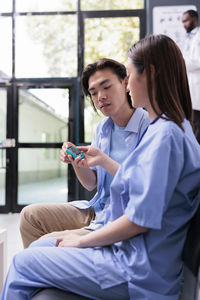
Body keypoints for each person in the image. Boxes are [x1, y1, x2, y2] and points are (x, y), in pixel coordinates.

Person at [1, 34, 200, 300]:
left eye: (128, 77)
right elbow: (125, 185)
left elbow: (139, 220)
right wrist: (83, 162)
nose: (128, 86)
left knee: (21, 263)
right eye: (93, 93)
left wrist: (81, 241)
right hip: (126, 248)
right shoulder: (164, 129)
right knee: (40, 243)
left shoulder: (165, 135)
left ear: (150, 74)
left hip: (134, 266)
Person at [20, 58, 150, 248]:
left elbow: (145, 184)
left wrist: (105, 161)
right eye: (94, 93)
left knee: (44, 245)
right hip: (98, 209)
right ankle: (49, 271)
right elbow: (91, 183)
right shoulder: (103, 128)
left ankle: (47, 264)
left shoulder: (148, 126)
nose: (100, 97)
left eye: (106, 87)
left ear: (125, 83)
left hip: (121, 215)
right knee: (30, 216)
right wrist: (76, 160)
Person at [182, 9, 200, 143]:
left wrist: (181, 62)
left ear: (194, 19)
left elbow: (198, 61)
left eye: (186, 21)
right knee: (193, 121)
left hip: (197, 86)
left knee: (197, 123)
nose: (184, 24)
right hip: (191, 86)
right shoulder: (189, 38)